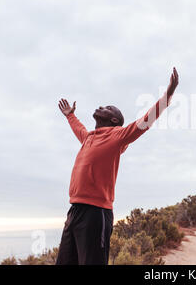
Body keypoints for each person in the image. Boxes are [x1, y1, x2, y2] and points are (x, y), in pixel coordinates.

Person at [55, 68, 179, 265]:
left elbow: (146, 121)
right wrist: (70, 115)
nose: (101, 106)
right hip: (75, 211)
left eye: (108, 107)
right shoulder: (88, 138)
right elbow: (78, 128)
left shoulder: (117, 136)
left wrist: (168, 95)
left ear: (114, 120)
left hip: (96, 213)